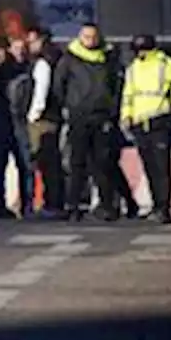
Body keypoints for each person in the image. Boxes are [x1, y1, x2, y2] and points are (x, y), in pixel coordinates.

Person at [54, 23, 120, 223]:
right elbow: (59, 86)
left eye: (93, 37)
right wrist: (70, 106)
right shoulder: (69, 60)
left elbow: (114, 86)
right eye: (86, 37)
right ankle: (74, 206)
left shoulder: (108, 59)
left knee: (102, 163)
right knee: (77, 163)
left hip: (101, 117)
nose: (90, 41)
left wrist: (111, 110)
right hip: (79, 117)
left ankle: (107, 206)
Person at [121, 33, 171, 224]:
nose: (140, 53)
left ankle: (163, 208)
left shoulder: (167, 64)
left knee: (161, 167)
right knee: (150, 167)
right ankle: (157, 206)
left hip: (159, 119)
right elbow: (128, 94)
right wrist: (127, 115)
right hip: (140, 121)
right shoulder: (133, 69)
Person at [0, 36, 32, 218]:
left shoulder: (14, 70)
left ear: (3, 51)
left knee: (23, 165)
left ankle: (27, 205)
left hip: (15, 123)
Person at [24, 28, 64, 218]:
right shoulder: (57, 59)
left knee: (46, 162)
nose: (29, 45)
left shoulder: (42, 63)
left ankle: (52, 203)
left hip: (43, 119)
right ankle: (55, 202)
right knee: (52, 162)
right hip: (54, 117)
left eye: (32, 41)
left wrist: (33, 115)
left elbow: (41, 91)